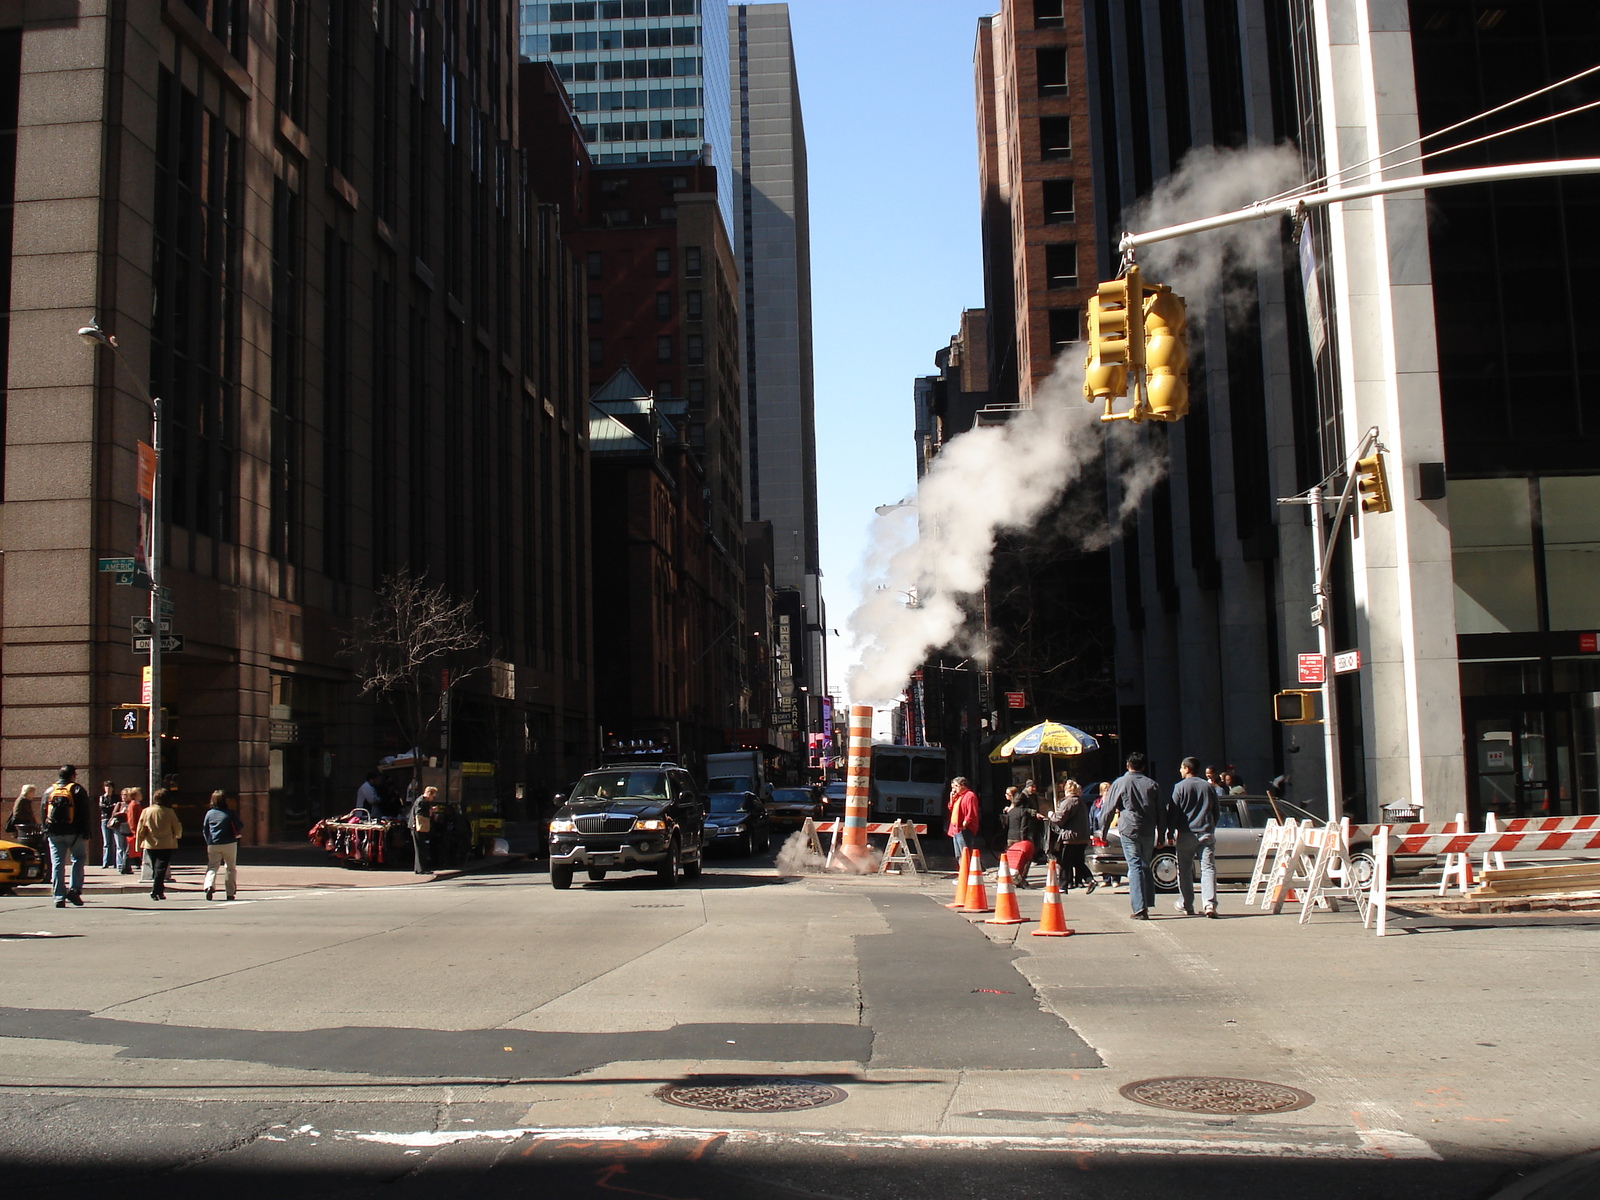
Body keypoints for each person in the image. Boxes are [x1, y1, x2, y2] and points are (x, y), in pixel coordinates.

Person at [1098, 752, 1165, 920]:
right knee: (1144, 863)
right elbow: (1161, 811)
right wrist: (1164, 833)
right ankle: (1147, 900)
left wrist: (1103, 831)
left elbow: (1108, 809)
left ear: (1128, 765)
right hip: (1148, 828)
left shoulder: (1120, 782)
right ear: (1143, 766)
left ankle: (1139, 907)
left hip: (1128, 827)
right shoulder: (1152, 784)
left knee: (1134, 865)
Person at [1169, 757, 1219, 918]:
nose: (1180, 770)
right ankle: (1209, 904)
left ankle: (1187, 903)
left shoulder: (1179, 787)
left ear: (1186, 768)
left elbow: (1174, 811)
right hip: (1206, 831)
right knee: (1208, 868)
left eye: (1181, 768)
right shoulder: (1208, 787)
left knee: (1184, 870)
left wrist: (1170, 831)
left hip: (1186, 832)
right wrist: (1212, 826)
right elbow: (1216, 810)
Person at [43, 765, 92, 909]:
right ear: (73, 775)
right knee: (78, 859)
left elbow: (43, 811)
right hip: (74, 832)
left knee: (58, 864)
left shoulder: (49, 790)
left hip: (54, 833)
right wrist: (86, 831)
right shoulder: (77, 790)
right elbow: (84, 812)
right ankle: (74, 890)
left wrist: (46, 830)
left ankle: (58, 897)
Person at [134, 788, 183, 900]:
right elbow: (177, 826)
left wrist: (138, 843)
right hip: (166, 843)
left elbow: (141, 828)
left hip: (150, 843)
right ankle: (156, 890)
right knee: (161, 868)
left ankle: (159, 891)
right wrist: (178, 835)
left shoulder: (146, 811)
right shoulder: (169, 812)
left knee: (156, 867)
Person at [1049, 779, 1095, 893]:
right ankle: (1090, 879)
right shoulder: (1082, 803)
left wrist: (1051, 815)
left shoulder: (1068, 802)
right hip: (1082, 836)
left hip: (1070, 837)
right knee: (1078, 861)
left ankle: (1063, 886)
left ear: (1067, 791)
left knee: (1065, 862)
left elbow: (1059, 819)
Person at [201, 790, 244, 901]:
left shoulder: (209, 814)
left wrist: (208, 841)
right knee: (230, 868)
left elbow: (205, 829)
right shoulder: (230, 813)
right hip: (229, 842)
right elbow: (240, 825)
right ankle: (230, 893)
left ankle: (209, 885)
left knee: (212, 866)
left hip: (213, 843)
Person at [1001, 786, 1041, 887]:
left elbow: (1006, 825)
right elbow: (1024, 827)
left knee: (1011, 859)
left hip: (1010, 837)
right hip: (1020, 838)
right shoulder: (1023, 812)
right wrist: (1024, 839)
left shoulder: (1011, 811)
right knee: (1026, 858)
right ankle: (1021, 878)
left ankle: (1010, 877)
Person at [946, 776, 980, 870]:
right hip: (955, 828)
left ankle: (967, 873)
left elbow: (972, 812)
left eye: (956, 786)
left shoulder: (970, 796)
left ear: (963, 785)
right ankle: (962, 873)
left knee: (964, 852)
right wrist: (952, 798)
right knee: (958, 854)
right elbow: (951, 808)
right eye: (953, 787)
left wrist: (966, 823)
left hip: (963, 828)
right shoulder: (958, 797)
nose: (954, 789)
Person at [409, 786, 437, 874]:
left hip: (418, 826)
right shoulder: (421, 801)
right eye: (433, 796)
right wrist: (430, 811)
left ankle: (419, 868)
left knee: (420, 847)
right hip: (417, 826)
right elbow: (419, 814)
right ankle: (421, 869)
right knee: (420, 847)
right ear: (429, 793)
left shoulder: (424, 801)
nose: (433, 798)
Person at [107, 787, 132, 873]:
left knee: (127, 847)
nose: (123, 797)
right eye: (122, 795)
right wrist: (121, 812)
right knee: (120, 846)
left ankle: (127, 865)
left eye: (125, 795)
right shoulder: (119, 804)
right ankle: (120, 865)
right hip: (118, 826)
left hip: (127, 826)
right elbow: (113, 814)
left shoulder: (131, 804)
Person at [123, 787, 146, 874]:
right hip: (135, 830)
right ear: (135, 796)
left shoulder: (136, 804)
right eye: (139, 794)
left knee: (131, 849)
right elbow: (132, 819)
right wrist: (134, 831)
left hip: (137, 829)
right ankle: (125, 867)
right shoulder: (133, 805)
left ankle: (127, 866)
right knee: (130, 849)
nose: (141, 795)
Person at [97, 780, 119, 868]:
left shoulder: (116, 797)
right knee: (106, 842)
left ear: (113, 788)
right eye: (106, 787)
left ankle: (115, 862)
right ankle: (105, 862)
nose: (108, 789)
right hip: (105, 820)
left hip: (114, 820)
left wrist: (110, 807)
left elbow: (117, 807)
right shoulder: (102, 797)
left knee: (114, 841)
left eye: (110, 787)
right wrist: (111, 806)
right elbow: (103, 808)